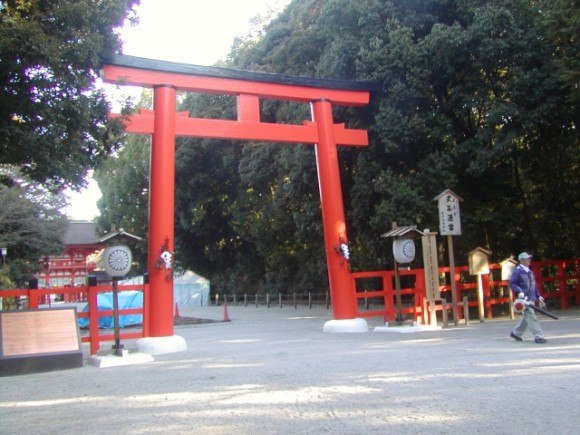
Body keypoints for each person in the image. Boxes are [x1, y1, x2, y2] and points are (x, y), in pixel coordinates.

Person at [509, 252, 547, 343]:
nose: (529, 260)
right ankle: (538, 336)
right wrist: (519, 291)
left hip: (531, 297)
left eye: (529, 258)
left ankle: (516, 333)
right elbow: (512, 283)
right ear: (522, 260)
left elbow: (534, 285)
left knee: (527, 318)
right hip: (524, 299)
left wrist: (538, 296)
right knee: (531, 316)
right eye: (527, 259)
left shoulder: (530, 271)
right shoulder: (518, 271)